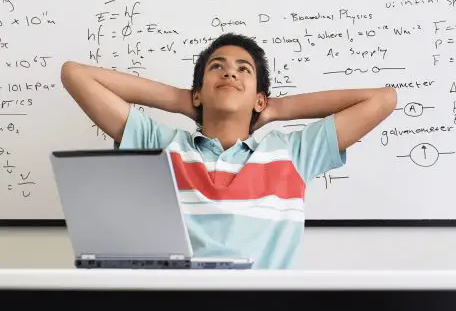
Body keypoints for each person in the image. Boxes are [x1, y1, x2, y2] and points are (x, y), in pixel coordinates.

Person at [60, 32, 397, 269]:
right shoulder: (163, 146)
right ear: (198, 92)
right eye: (217, 67)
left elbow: (382, 100)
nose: (230, 71)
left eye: (243, 69)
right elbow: (75, 75)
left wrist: (277, 109)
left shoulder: (291, 154)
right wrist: (181, 100)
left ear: (260, 98)